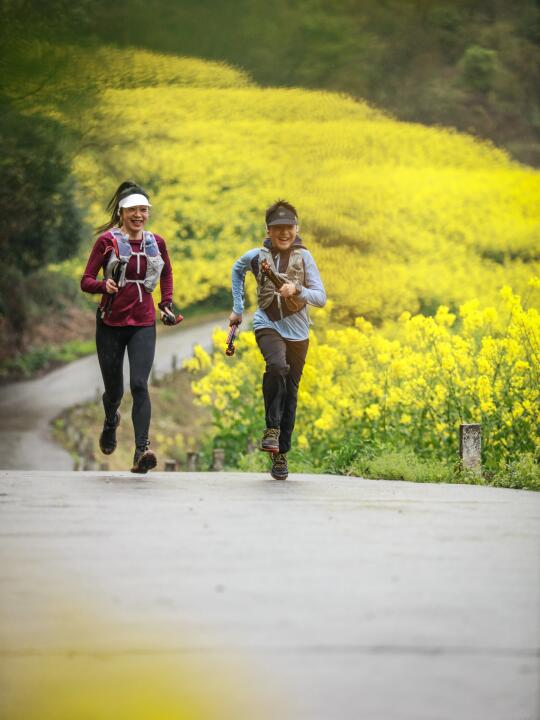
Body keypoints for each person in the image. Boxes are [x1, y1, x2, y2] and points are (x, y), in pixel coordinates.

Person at [81, 180, 180, 473]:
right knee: (114, 391)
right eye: (133, 210)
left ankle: (141, 451)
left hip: (143, 322)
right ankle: (111, 420)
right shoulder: (106, 242)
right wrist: (104, 285)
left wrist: (167, 303)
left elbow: (167, 273)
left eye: (144, 210)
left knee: (139, 385)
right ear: (123, 212)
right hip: (110, 323)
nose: (139, 215)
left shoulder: (156, 242)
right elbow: (86, 280)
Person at [229, 200, 326, 480]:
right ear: (268, 230)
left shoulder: (305, 258)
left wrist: (298, 289)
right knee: (277, 366)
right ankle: (271, 429)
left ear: (296, 229)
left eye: (289, 227)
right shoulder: (257, 256)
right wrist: (237, 308)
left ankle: (281, 454)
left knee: (291, 394)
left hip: (299, 332)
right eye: (278, 228)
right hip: (267, 322)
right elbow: (237, 270)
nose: (284, 233)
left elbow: (320, 297)